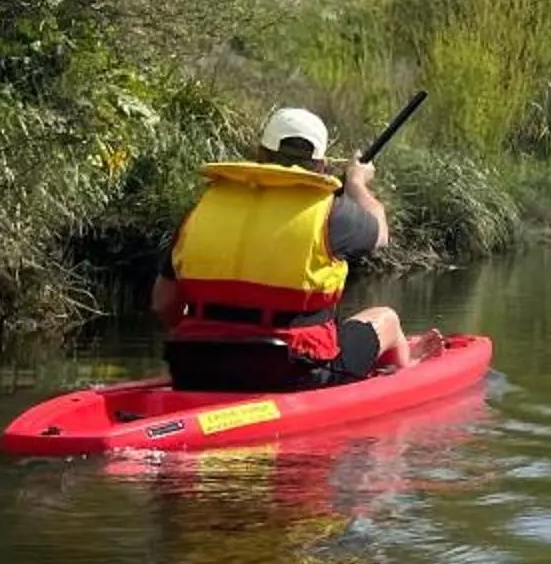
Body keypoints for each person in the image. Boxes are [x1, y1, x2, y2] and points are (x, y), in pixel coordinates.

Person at [151, 105, 431, 394]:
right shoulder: (332, 213)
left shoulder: (203, 209)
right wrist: (357, 182)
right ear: (321, 166)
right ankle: (405, 372)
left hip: (194, 365)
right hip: (291, 371)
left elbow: (163, 303)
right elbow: (381, 233)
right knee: (385, 319)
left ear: (260, 154)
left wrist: (208, 339)